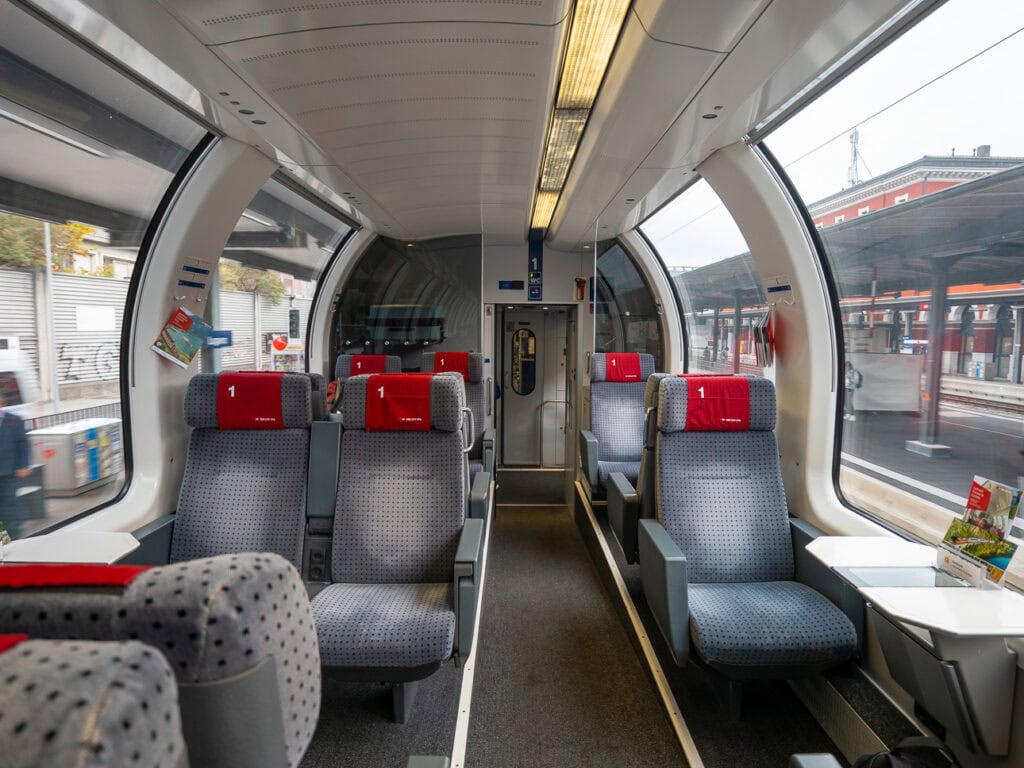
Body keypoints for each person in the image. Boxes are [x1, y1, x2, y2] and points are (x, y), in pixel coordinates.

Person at [0, 389, 31, 537]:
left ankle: (14, 537)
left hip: (8, 472)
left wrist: (23, 465)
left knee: (9, 506)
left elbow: (23, 444)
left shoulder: (14, 420)